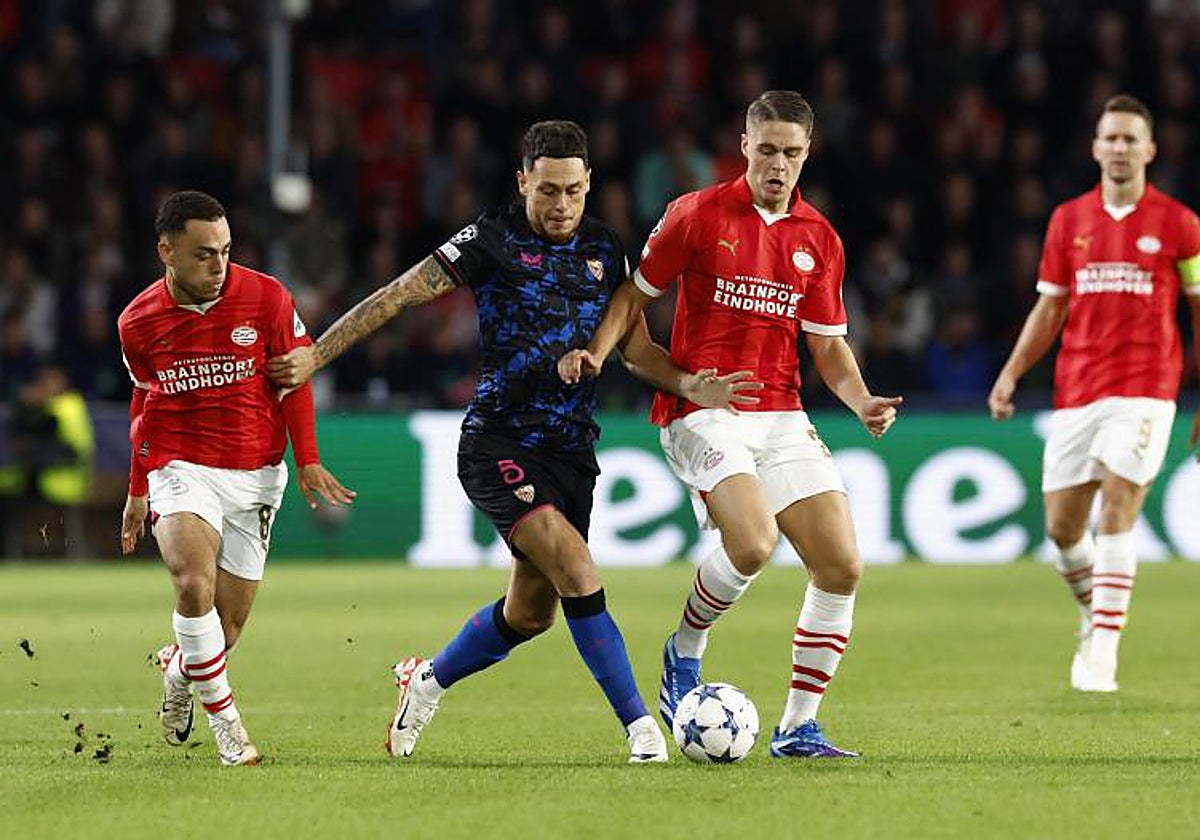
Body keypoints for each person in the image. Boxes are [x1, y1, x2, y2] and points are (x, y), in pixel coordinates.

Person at [266, 120, 759, 763]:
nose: (561, 206)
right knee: (578, 567)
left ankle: (427, 681)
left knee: (530, 614)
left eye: (574, 192)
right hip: (498, 439)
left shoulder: (607, 251)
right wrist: (315, 356)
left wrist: (693, 383)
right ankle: (642, 730)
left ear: (589, 187)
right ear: (523, 180)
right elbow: (397, 296)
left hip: (571, 451)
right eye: (548, 190)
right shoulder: (491, 240)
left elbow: (637, 352)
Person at [559, 91, 901, 758]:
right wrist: (601, 355)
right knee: (752, 542)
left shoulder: (819, 240)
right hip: (702, 410)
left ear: (807, 155)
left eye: (792, 153)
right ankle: (685, 650)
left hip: (781, 413)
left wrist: (859, 401)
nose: (778, 164)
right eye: (767, 149)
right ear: (744, 145)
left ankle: (798, 726)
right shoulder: (696, 213)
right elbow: (635, 294)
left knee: (841, 566)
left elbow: (827, 344)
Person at [118, 191, 356, 766]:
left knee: (225, 629)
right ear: (166, 252)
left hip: (254, 474)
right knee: (191, 582)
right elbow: (146, 406)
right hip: (181, 465)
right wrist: (138, 487)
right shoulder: (137, 323)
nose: (219, 266)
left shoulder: (267, 297)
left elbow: (294, 377)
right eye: (204, 255)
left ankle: (180, 666)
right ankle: (229, 730)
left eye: (225, 251)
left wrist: (308, 458)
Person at [988, 94, 1200, 692]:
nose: (1120, 148)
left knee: (1118, 504)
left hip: (1147, 385)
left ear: (1151, 150)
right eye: (1111, 137)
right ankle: (1094, 611)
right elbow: (1050, 305)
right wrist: (1010, 373)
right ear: (1095, 147)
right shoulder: (1068, 221)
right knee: (1061, 527)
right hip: (1077, 387)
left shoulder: (1181, 225)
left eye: (1132, 139)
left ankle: (1102, 650)